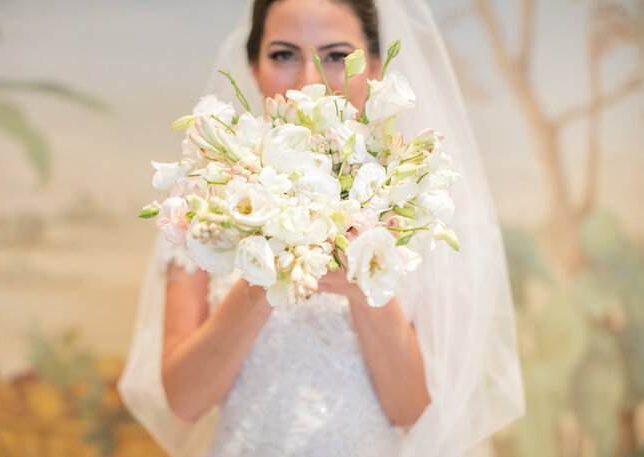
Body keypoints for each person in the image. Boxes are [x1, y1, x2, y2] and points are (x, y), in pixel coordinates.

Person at [119, 0, 526, 456]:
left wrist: (365, 284)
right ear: (253, 66)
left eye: (335, 56)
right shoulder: (205, 194)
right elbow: (185, 401)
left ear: (373, 67)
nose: (309, 80)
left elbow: (417, 414)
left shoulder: (420, 200)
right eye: (283, 54)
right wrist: (267, 270)